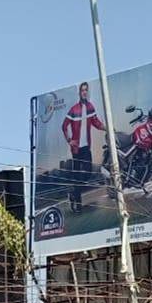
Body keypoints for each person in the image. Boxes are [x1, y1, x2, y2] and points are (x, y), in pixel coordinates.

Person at [61, 82, 104, 213]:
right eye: (82, 90)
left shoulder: (90, 107)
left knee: (88, 172)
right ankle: (77, 203)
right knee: (77, 176)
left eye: (86, 90)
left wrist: (107, 128)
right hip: (76, 149)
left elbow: (95, 122)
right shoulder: (74, 109)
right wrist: (70, 140)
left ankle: (74, 192)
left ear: (87, 92)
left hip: (86, 147)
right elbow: (64, 126)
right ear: (79, 93)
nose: (84, 92)